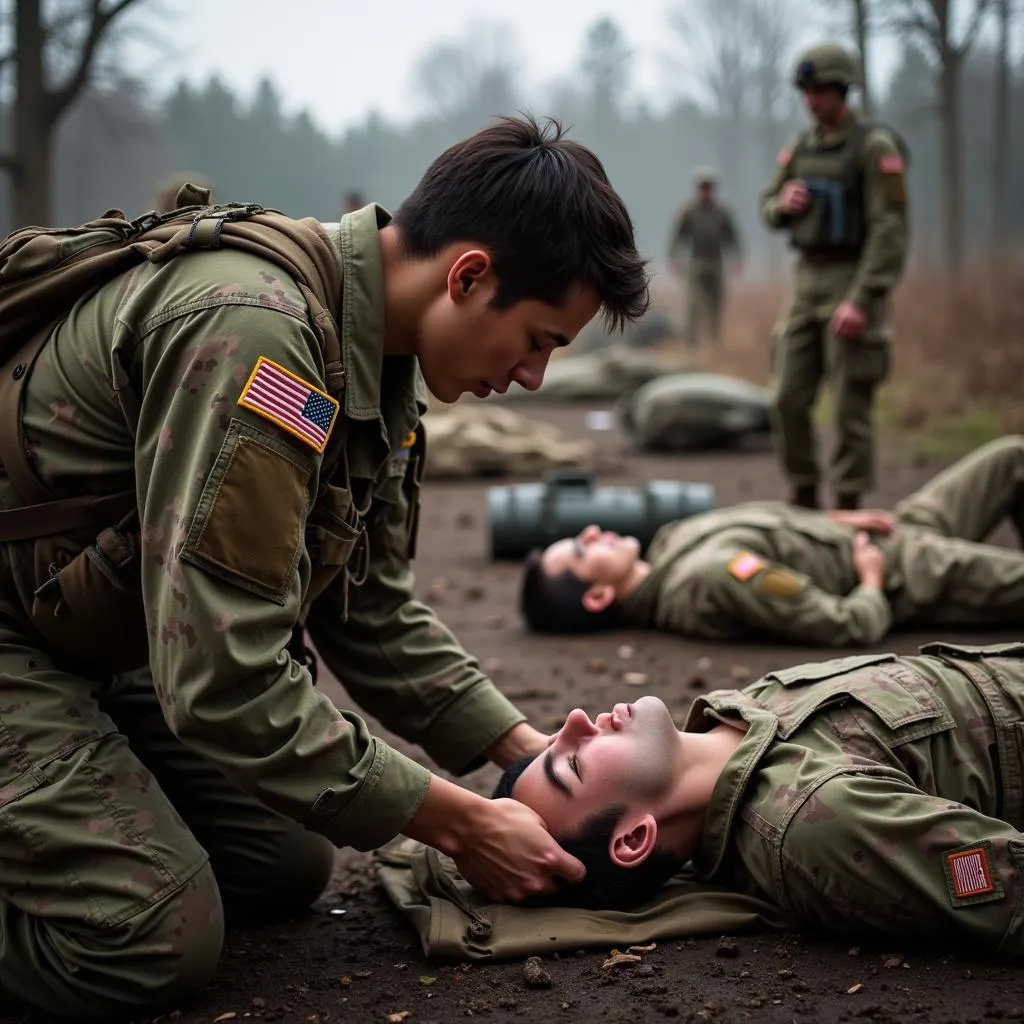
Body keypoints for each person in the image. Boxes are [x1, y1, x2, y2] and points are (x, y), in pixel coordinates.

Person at [0, 115, 649, 1017]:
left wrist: (519, 748)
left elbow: (369, 612)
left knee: (281, 861)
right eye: (540, 338)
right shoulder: (259, 339)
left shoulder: (376, 370)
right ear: (468, 275)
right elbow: (221, 682)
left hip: (81, 631)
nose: (536, 375)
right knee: (146, 937)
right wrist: (458, 822)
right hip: (17, 636)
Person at [492, 639, 1024, 956]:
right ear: (633, 838)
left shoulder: (746, 712)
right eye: (573, 765)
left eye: (556, 738)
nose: (574, 721)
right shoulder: (819, 824)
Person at [519, 435, 1024, 646]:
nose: (589, 531)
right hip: (906, 574)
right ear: (599, 596)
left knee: (1010, 457)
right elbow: (844, 624)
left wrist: (833, 520)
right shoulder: (711, 579)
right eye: (583, 551)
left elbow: (772, 527)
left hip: (886, 528)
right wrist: (872, 582)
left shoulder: (671, 543)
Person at [760, 42, 909, 511]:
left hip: (852, 275)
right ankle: (803, 495)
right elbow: (768, 205)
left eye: (820, 89)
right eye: (806, 90)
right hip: (807, 278)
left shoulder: (873, 147)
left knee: (849, 404)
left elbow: (890, 231)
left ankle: (848, 506)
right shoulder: (800, 148)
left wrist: (862, 300)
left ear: (842, 90)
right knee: (786, 396)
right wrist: (783, 206)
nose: (811, 99)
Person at [668, 167, 742, 349]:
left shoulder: (722, 213)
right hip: (696, 262)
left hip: (716, 262)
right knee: (693, 303)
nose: (705, 191)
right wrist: (675, 257)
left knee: (716, 303)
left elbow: (733, 237)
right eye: (703, 187)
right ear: (698, 189)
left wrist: (737, 258)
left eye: (709, 187)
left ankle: (714, 342)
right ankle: (690, 343)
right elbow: (678, 237)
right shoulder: (688, 212)